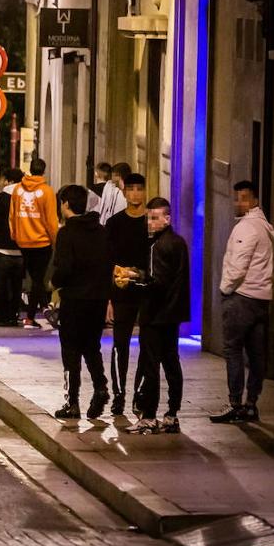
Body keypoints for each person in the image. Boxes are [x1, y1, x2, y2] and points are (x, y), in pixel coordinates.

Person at [210, 180, 274, 423]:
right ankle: (251, 404)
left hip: (242, 298)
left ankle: (235, 403)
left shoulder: (246, 228)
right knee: (257, 355)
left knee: (233, 349)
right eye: (236, 197)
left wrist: (225, 289)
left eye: (244, 198)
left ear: (255, 201)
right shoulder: (264, 226)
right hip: (261, 299)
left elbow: (238, 265)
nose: (238, 202)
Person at [124, 198, 190, 435]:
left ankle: (149, 416)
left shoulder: (157, 246)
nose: (150, 223)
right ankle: (172, 414)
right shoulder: (179, 243)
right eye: (148, 218)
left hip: (155, 314)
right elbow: (172, 279)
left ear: (167, 218)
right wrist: (141, 274)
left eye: (154, 218)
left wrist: (132, 283)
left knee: (150, 365)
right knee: (172, 363)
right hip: (173, 314)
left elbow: (157, 283)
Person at [49, 185, 113, 420]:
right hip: (96, 299)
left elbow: (64, 268)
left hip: (74, 299)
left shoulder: (67, 233)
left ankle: (72, 402)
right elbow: (108, 265)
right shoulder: (101, 231)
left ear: (65, 204)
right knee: (91, 346)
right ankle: (100, 386)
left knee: (71, 352)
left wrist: (54, 283)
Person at [105, 172, 148, 415]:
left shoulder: (150, 222)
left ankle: (139, 395)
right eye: (130, 189)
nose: (134, 194)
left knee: (147, 345)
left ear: (144, 191)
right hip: (121, 292)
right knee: (120, 344)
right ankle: (119, 395)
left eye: (139, 189)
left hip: (145, 292)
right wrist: (108, 298)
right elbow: (106, 260)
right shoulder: (115, 223)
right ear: (124, 191)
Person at [10, 157, 59, 329]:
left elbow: (12, 215)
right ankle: (32, 317)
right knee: (39, 279)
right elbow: (51, 221)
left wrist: (15, 235)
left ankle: (45, 308)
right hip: (41, 242)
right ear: (44, 171)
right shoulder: (47, 191)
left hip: (23, 241)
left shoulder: (18, 190)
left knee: (35, 278)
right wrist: (56, 241)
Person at [0, 169, 26, 326]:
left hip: (2, 249)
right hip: (21, 249)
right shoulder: (25, 197)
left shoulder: (2, 197)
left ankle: (0, 315)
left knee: (2, 285)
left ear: (8, 181)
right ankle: (13, 315)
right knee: (16, 286)